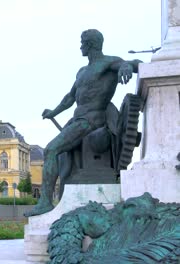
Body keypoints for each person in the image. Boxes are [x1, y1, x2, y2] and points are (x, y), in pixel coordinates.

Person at [25, 29, 141, 217]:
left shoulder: (108, 62)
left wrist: (126, 67)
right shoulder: (82, 72)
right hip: (78, 121)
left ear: (90, 44)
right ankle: (55, 197)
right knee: (57, 154)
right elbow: (70, 97)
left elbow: (136, 64)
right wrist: (53, 111)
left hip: (92, 121)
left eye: (82, 43)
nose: (80, 46)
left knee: (51, 150)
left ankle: (45, 202)